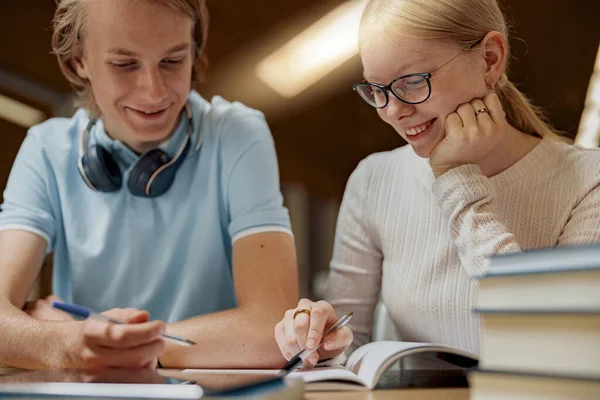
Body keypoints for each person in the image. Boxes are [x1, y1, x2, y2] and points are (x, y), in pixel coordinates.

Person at [275, 0, 600, 367]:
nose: (392, 111)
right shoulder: (373, 181)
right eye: (376, 90)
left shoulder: (590, 181)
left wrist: (456, 177)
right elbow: (346, 348)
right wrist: (317, 339)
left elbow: (554, 343)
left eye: (413, 82)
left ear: (490, 59)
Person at [0, 0, 298, 370]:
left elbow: (272, 329)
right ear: (80, 61)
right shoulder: (45, 149)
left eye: (173, 60)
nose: (154, 91)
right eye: (124, 64)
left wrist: (92, 340)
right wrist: (68, 344)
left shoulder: (238, 135)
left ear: (194, 50)